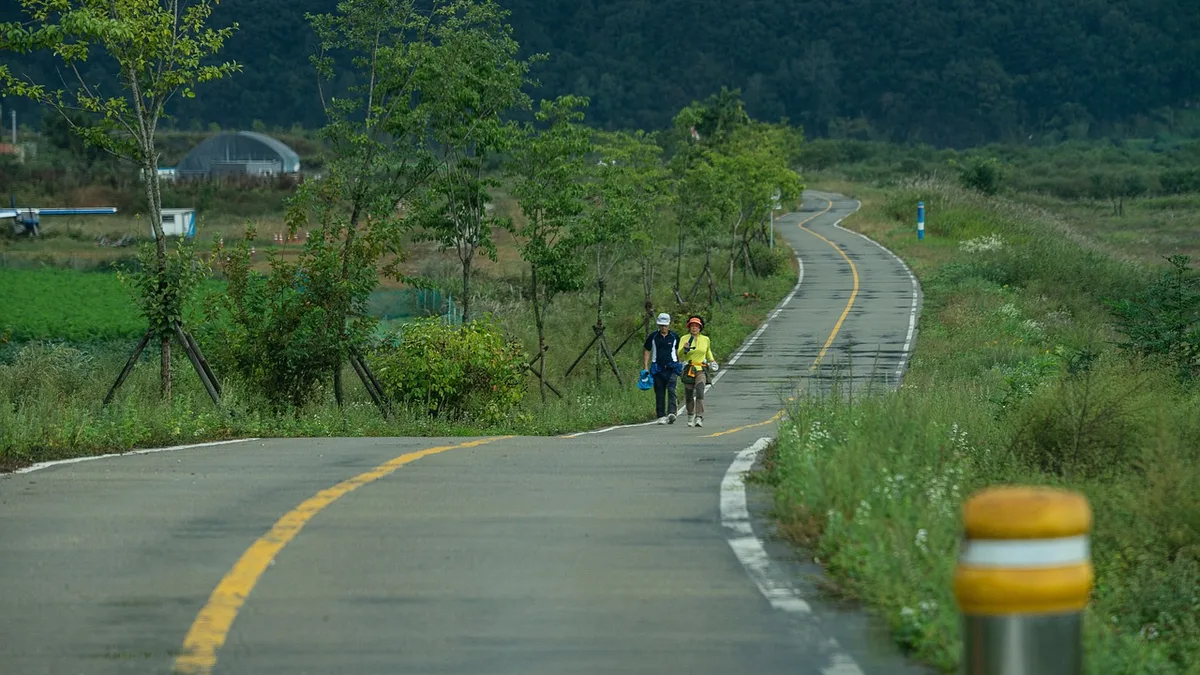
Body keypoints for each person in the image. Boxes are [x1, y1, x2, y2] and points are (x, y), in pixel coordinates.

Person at [677, 315, 718, 427]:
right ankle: (690, 414)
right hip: (689, 368)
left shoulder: (705, 339)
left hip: (701, 369)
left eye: (696, 326)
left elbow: (708, 351)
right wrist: (684, 349)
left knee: (700, 391)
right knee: (689, 393)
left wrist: (712, 360)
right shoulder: (684, 339)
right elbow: (679, 354)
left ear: (700, 328)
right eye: (692, 326)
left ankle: (699, 416)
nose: (694, 328)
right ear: (689, 327)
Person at [642, 312, 682, 424]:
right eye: (661, 325)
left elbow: (677, 351)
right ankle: (661, 415)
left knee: (671, 390)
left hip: (672, 367)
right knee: (659, 392)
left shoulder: (675, 337)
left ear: (668, 325)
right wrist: (645, 366)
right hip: (657, 368)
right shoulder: (653, 337)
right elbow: (647, 350)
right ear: (658, 325)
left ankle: (672, 413)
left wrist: (679, 365)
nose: (663, 327)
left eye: (665, 325)